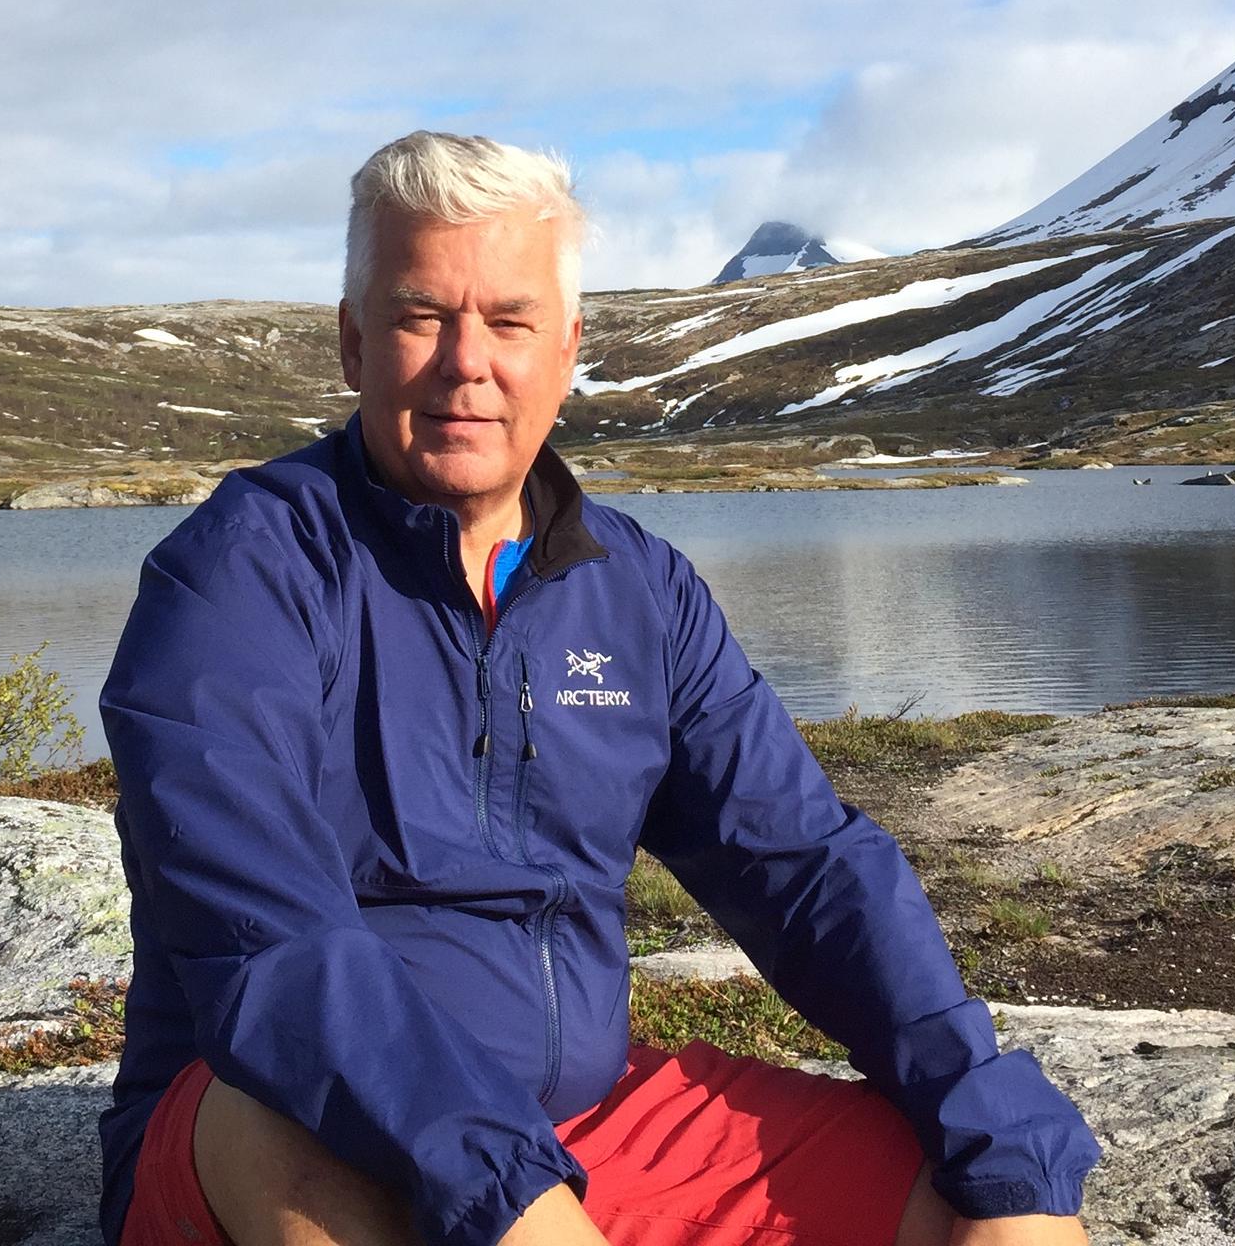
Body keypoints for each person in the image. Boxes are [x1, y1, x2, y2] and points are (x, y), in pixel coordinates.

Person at [99, 132, 1099, 1246]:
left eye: (510, 321)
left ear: (568, 348)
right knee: (288, 1120)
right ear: (353, 342)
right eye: (419, 314)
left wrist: (980, 1103)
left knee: (982, 1196)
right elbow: (273, 949)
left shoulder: (638, 590)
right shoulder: (239, 572)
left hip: (579, 1124)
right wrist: (502, 1187)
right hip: (279, 1130)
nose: (464, 361)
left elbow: (805, 867)